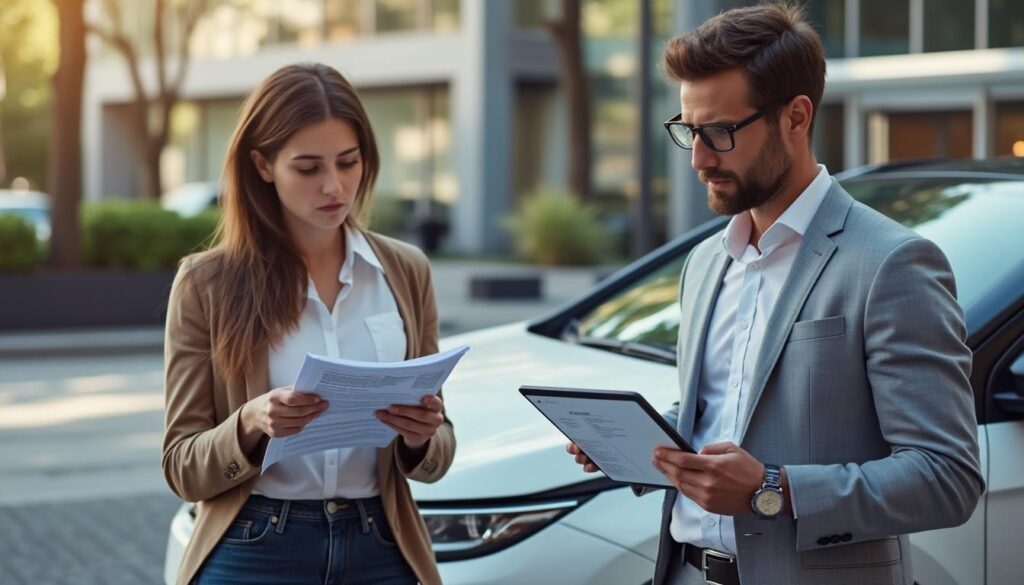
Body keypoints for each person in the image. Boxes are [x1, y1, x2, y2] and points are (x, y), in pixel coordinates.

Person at [566, 4, 983, 584]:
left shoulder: (892, 263)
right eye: (689, 130)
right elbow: (718, 415)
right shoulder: (706, 262)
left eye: (720, 132)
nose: (700, 158)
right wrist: (636, 444)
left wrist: (773, 490)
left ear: (795, 116)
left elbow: (946, 478)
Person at [162, 63, 453, 585]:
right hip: (256, 545)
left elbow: (440, 451)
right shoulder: (205, 283)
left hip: (381, 544)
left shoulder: (406, 270)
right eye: (308, 168)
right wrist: (251, 423)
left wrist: (419, 439)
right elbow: (182, 467)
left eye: (348, 162)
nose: (334, 186)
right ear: (263, 165)